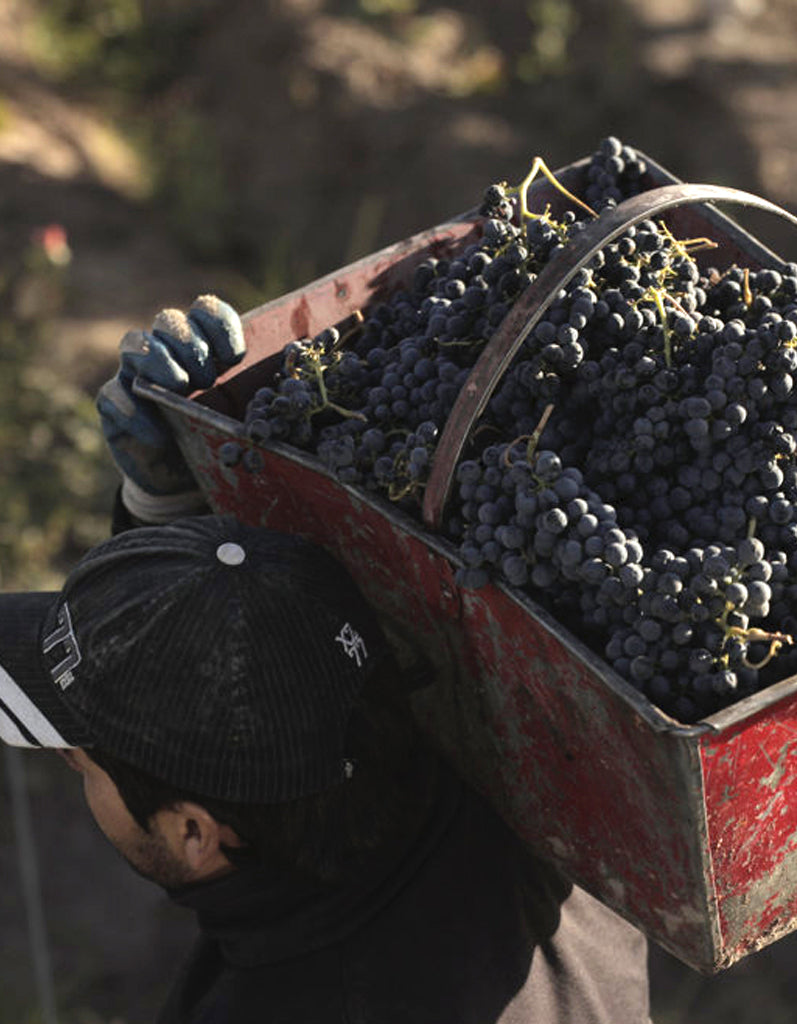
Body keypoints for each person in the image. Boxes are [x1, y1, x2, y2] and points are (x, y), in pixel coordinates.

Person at [0, 297, 651, 1023]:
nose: (66, 761)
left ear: (194, 833)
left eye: (79, 763)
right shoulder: (537, 815)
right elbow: (262, 646)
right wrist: (166, 509)